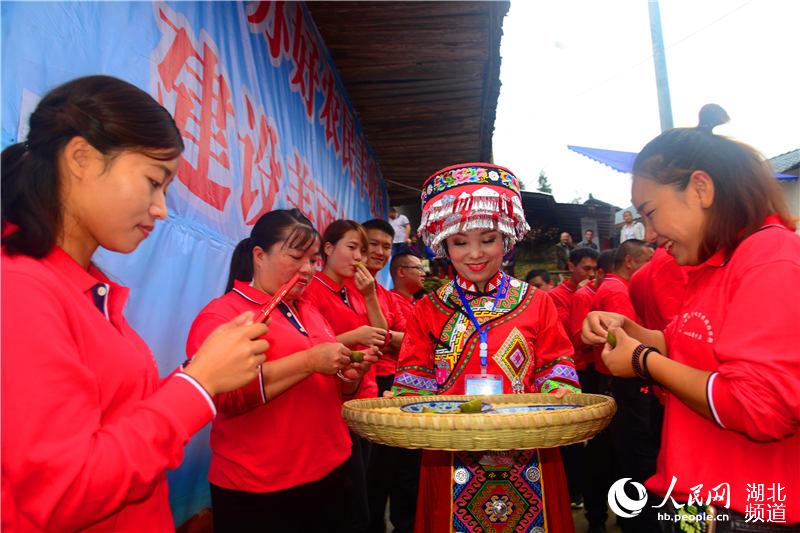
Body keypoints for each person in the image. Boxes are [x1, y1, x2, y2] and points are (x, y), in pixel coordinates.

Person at [1, 75, 269, 531]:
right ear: (81, 158)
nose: (161, 208)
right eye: (153, 181)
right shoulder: (21, 288)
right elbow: (64, 492)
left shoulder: (86, 289)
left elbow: (117, 423)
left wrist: (201, 373)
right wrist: (198, 384)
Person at [583, 106, 800, 529]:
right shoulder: (711, 265)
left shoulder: (771, 259)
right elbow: (699, 348)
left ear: (700, 188)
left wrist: (642, 359)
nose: (648, 235)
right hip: (698, 504)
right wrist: (631, 331)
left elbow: (760, 407)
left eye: (650, 212)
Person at [392, 163, 580, 533]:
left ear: (507, 240)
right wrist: (404, 399)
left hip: (528, 450)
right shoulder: (428, 309)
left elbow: (556, 364)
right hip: (451, 454)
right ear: (444, 244)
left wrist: (560, 393)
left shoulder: (535, 301)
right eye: (460, 242)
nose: (474, 253)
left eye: (488, 239)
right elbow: (414, 376)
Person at [186, 209, 378, 532]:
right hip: (263, 487)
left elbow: (332, 390)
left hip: (333, 468)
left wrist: (348, 379)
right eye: (296, 257)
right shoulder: (225, 315)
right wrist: (308, 362)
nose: (307, 270)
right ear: (259, 255)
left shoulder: (309, 310)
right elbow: (225, 396)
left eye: (313, 260)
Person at [303, 219, 389, 532]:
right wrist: (355, 335)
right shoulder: (311, 289)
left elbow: (380, 334)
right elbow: (306, 348)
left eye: (361, 251)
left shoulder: (353, 291)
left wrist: (368, 296)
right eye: (352, 248)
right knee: (353, 504)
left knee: (364, 488)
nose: (359, 257)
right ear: (327, 248)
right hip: (335, 403)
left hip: (364, 398)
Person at [590, 239, 655, 533]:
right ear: (630, 261)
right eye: (647, 260)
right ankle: (636, 520)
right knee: (634, 457)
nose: (651, 267)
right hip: (626, 382)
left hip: (618, 382)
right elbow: (622, 345)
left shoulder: (611, 287)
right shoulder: (616, 291)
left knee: (623, 455)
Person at [366, 251, 426, 533]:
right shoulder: (386, 298)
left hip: (416, 388)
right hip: (386, 382)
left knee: (410, 465)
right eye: (417, 267)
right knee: (384, 467)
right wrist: (413, 341)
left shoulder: (420, 304)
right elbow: (386, 339)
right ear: (401, 272)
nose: (423, 272)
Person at [548, 247, 599, 338]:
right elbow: (566, 331)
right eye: (587, 269)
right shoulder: (554, 296)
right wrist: (581, 296)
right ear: (571, 267)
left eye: (595, 270)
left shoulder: (597, 290)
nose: (592, 274)